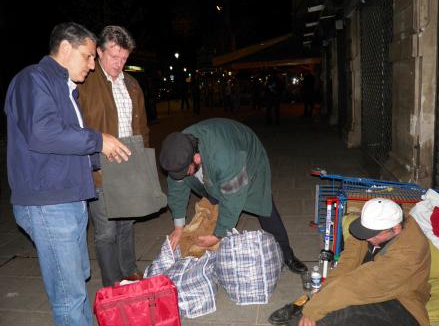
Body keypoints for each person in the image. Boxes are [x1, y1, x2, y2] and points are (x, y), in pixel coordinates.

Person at [4, 22, 131, 326]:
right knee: (69, 294)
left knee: (77, 283)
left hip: (69, 197)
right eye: (88, 56)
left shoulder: (65, 88)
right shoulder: (33, 79)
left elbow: (65, 145)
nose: (92, 64)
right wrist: (99, 140)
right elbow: (43, 134)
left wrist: (99, 161)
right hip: (49, 203)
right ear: (65, 49)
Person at [159, 118, 308, 274]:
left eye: (186, 172)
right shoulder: (178, 150)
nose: (183, 176)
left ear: (196, 158)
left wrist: (219, 234)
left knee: (265, 209)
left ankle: (287, 255)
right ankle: (213, 256)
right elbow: (177, 187)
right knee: (214, 201)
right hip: (216, 161)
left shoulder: (225, 157)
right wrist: (178, 227)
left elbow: (233, 199)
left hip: (249, 160)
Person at [269, 198, 431, 326]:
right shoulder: (371, 229)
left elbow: (359, 283)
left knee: (340, 317)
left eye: (373, 235)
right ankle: (304, 310)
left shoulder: (410, 253)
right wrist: (321, 294)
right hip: (363, 288)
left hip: (402, 303)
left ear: (396, 229)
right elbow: (347, 263)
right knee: (321, 315)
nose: (367, 238)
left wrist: (313, 309)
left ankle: (304, 309)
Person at [78, 25, 150, 287]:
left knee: (126, 223)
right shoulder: (84, 83)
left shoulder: (132, 84)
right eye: (114, 57)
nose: (119, 64)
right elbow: (76, 127)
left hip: (129, 165)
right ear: (98, 52)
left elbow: (141, 127)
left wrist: (142, 163)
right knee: (106, 230)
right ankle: (112, 282)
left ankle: (129, 269)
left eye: (124, 58)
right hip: (100, 167)